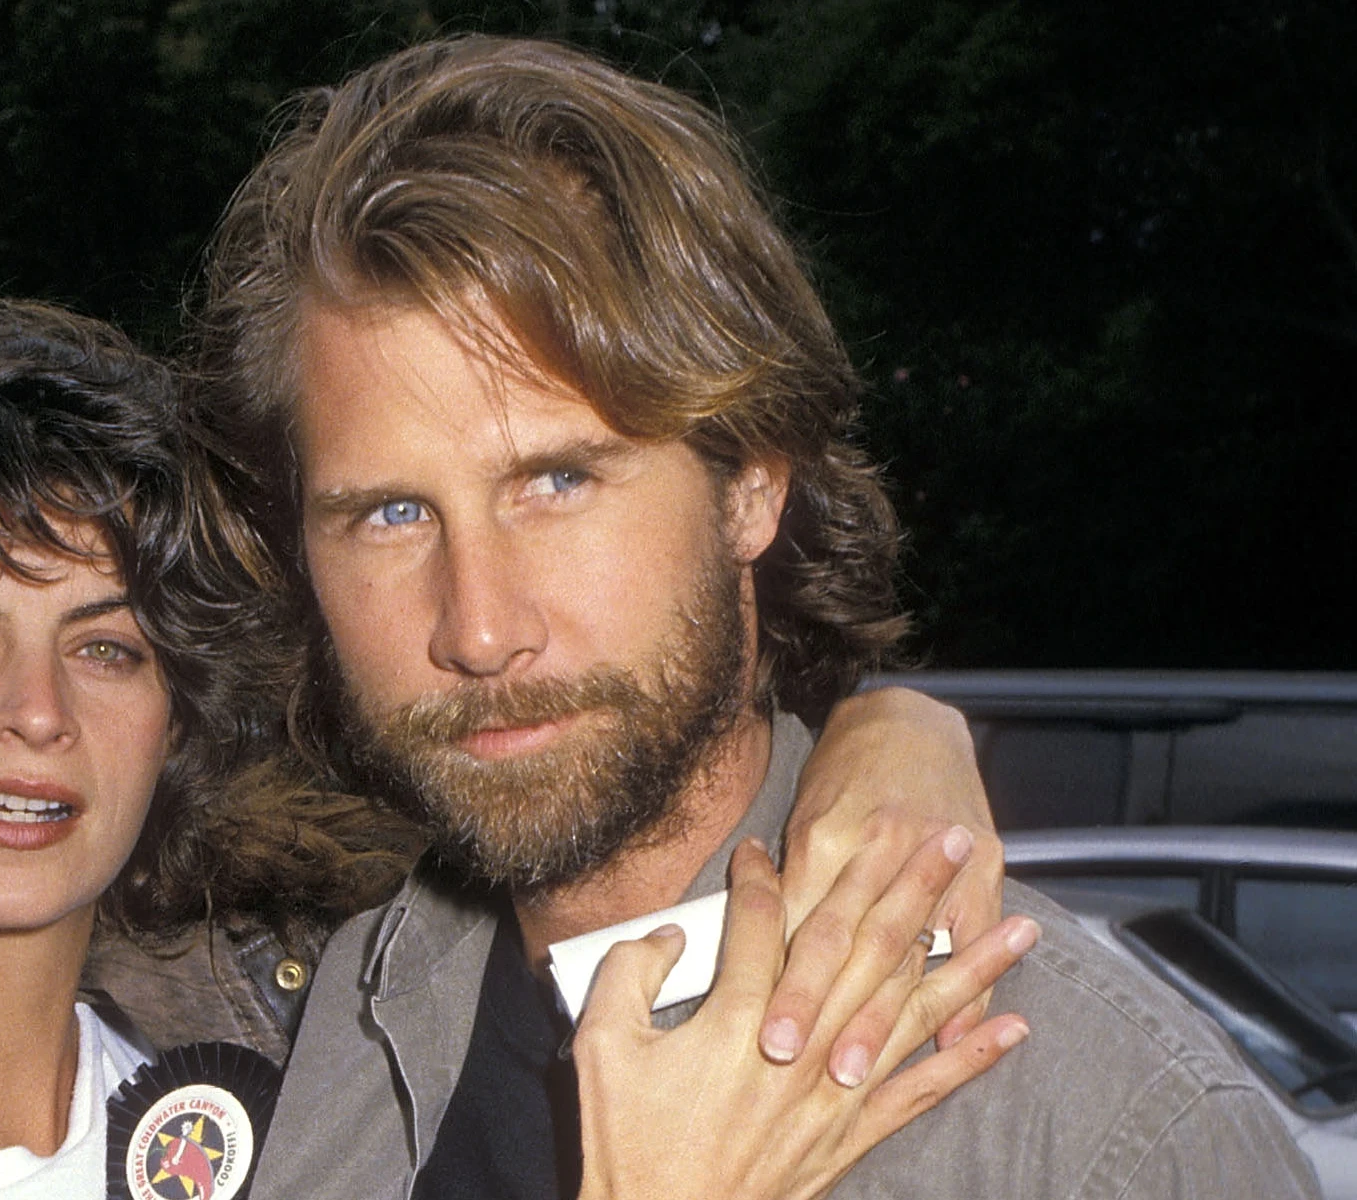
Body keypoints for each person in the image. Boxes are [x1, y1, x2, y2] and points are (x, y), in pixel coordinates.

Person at [0, 300, 1024, 1200]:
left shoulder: (288, 1050)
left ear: (173, 723)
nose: (35, 713)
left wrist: (890, 733)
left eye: (108, 649)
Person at [194, 35, 1321, 1200]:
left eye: (559, 481)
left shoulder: (1102, 1136)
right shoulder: (345, 1010)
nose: (477, 631)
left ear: (751, 486)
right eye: (389, 514)